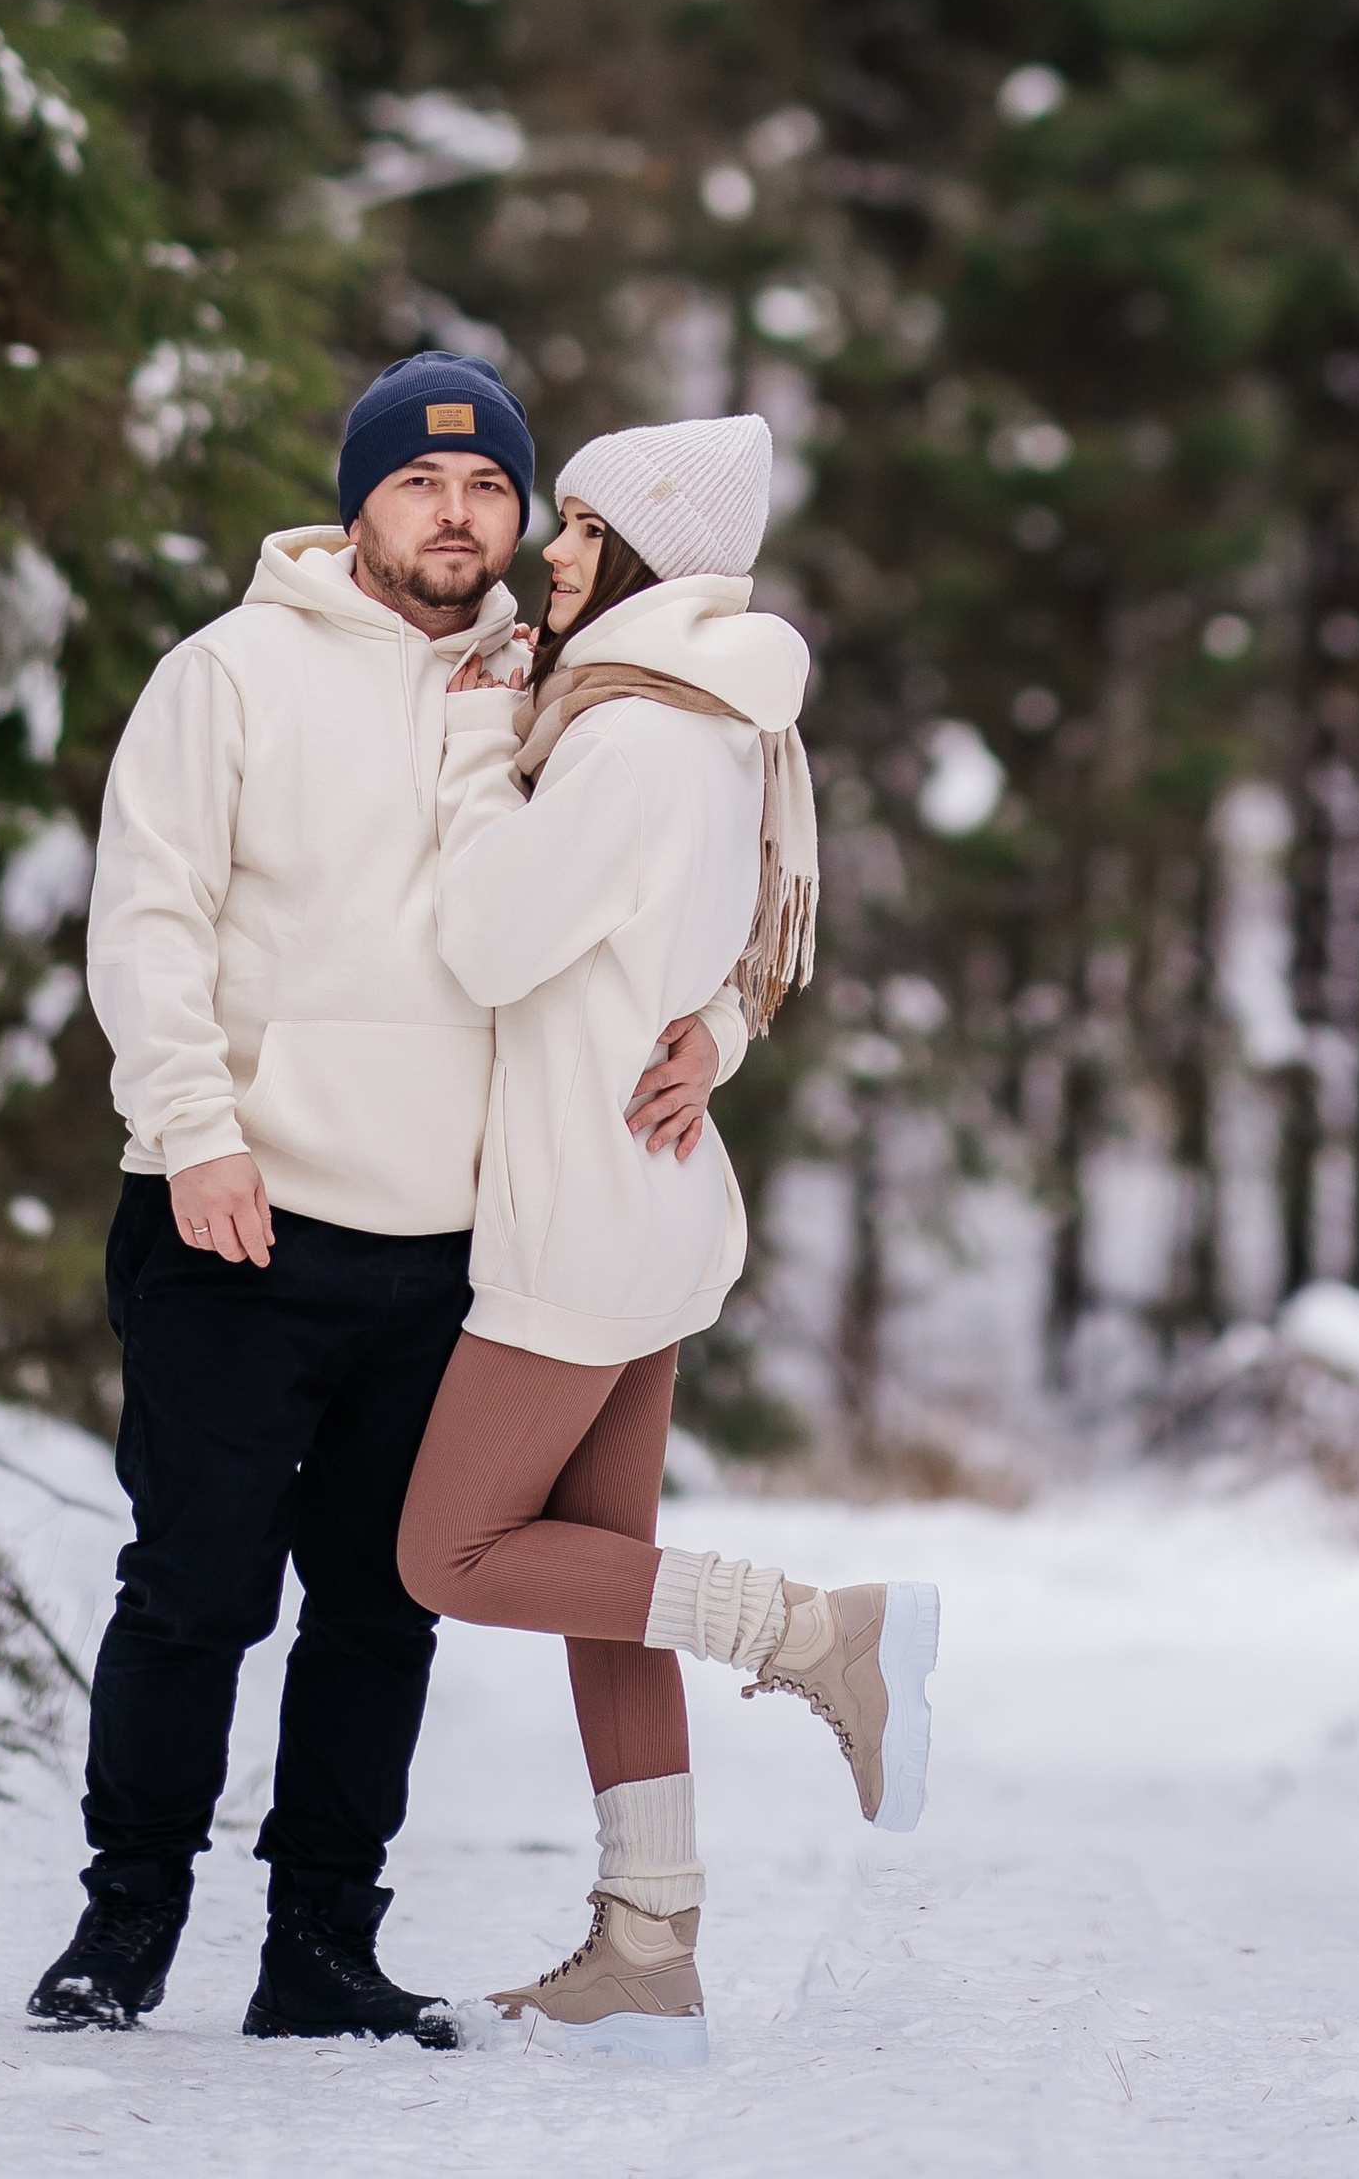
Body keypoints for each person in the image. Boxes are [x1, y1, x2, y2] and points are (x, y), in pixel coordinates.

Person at [26, 353, 744, 2043]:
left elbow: (705, 875)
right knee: (195, 1591)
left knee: (380, 1610)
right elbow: (148, 921)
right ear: (358, 500)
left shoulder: (562, 691)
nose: (458, 514)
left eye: (491, 487)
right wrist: (196, 1131)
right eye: (422, 484)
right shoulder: (229, 674)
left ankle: (322, 1950)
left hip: (453, 1247)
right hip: (239, 1215)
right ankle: (122, 1928)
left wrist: (712, 1027)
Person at [396, 411, 940, 2068]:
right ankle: (648, 1949)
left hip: (575, 1214)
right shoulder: (719, 719)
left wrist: (483, 750)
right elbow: (746, 945)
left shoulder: (620, 740)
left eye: (573, 529)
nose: (546, 555)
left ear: (641, 558)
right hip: (654, 1204)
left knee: (448, 1554)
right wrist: (721, 1027)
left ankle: (818, 1636)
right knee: (604, 1593)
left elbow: (487, 942)